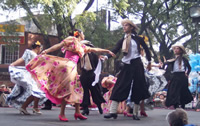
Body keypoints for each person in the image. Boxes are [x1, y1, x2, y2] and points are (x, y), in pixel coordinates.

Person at [26, 29, 115, 122]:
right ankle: (62, 114)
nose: (84, 35)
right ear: (79, 34)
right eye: (83, 33)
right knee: (67, 90)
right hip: (67, 67)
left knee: (78, 90)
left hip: (73, 69)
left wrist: (107, 51)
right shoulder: (71, 39)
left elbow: (94, 49)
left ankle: (77, 112)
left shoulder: (81, 46)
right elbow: (59, 45)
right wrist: (46, 51)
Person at [102, 19, 151, 120]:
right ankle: (113, 112)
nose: (124, 27)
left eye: (126, 25)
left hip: (137, 64)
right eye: (123, 25)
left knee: (138, 87)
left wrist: (149, 62)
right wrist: (106, 57)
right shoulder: (122, 40)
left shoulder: (138, 39)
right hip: (126, 65)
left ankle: (135, 113)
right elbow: (115, 50)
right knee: (119, 86)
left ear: (132, 27)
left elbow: (146, 50)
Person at [7, 41, 46, 115]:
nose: (40, 49)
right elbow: (22, 59)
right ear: (37, 47)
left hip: (35, 74)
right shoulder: (29, 52)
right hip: (30, 74)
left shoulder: (36, 55)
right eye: (40, 48)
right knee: (36, 91)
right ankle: (25, 107)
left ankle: (35, 107)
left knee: (38, 91)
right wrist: (13, 64)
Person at [79, 40, 105, 115]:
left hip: (92, 74)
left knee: (95, 91)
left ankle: (99, 106)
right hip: (84, 74)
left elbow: (97, 65)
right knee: (85, 91)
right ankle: (85, 108)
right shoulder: (81, 55)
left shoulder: (93, 55)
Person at [164, 44, 193, 109]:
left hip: (182, 76)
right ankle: (176, 105)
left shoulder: (184, 59)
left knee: (183, 91)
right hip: (175, 76)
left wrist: (187, 73)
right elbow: (166, 67)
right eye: (175, 49)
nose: (176, 50)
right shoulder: (172, 60)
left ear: (181, 50)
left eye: (177, 49)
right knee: (173, 91)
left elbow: (189, 67)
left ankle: (182, 105)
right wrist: (168, 77)